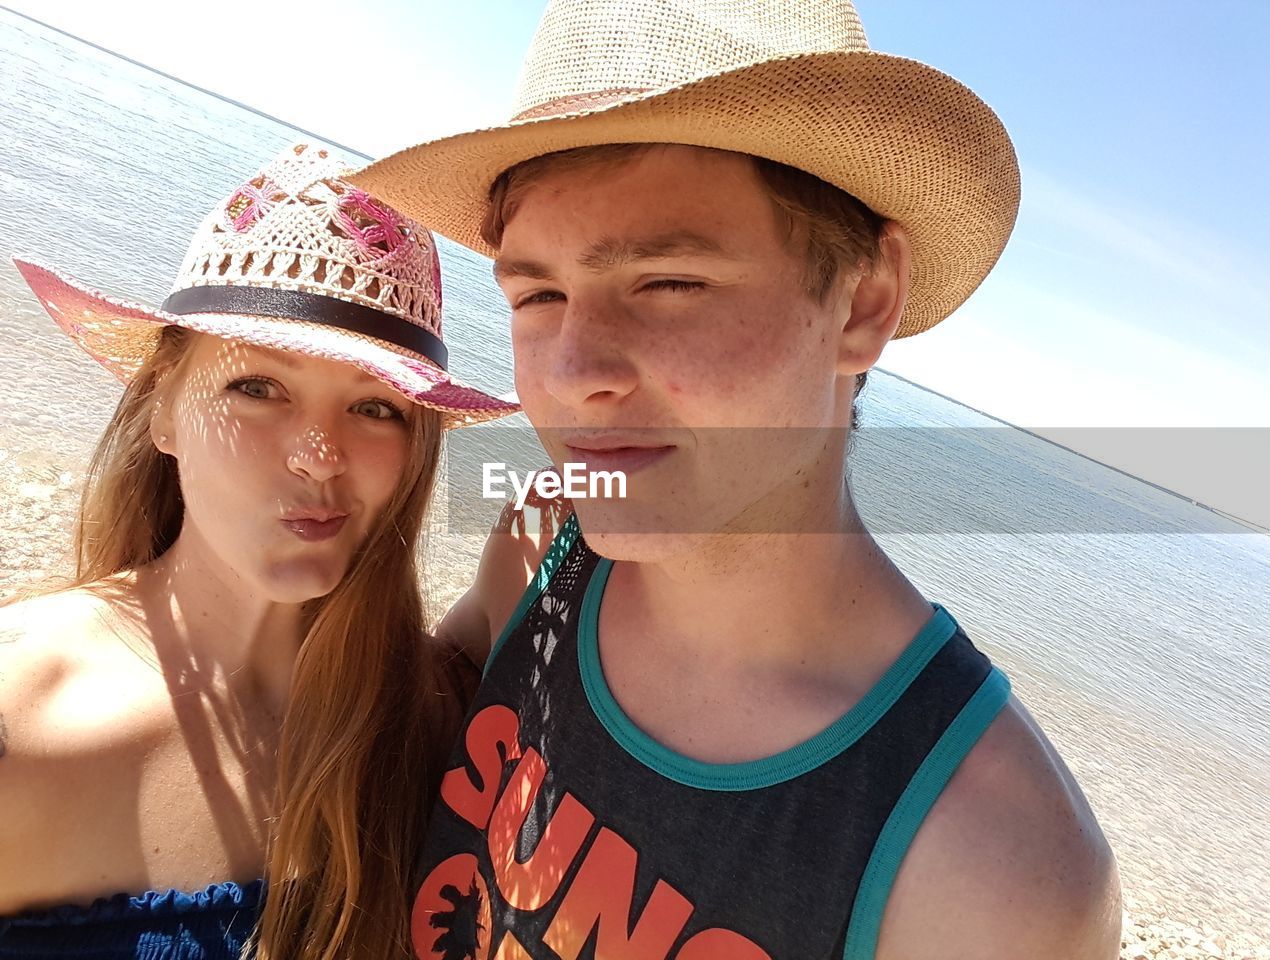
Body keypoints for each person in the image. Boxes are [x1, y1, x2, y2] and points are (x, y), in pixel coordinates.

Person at [355, 1, 1124, 958]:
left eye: (668, 283)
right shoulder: (546, 539)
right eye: (538, 295)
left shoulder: (989, 866)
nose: (569, 372)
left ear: (863, 302)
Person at [0, 143, 519, 960]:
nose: (320, 453)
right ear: (160, 413)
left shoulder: (416, 714)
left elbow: (596, 493)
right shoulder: (20, 714)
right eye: (258, 388)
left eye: (377, 409)